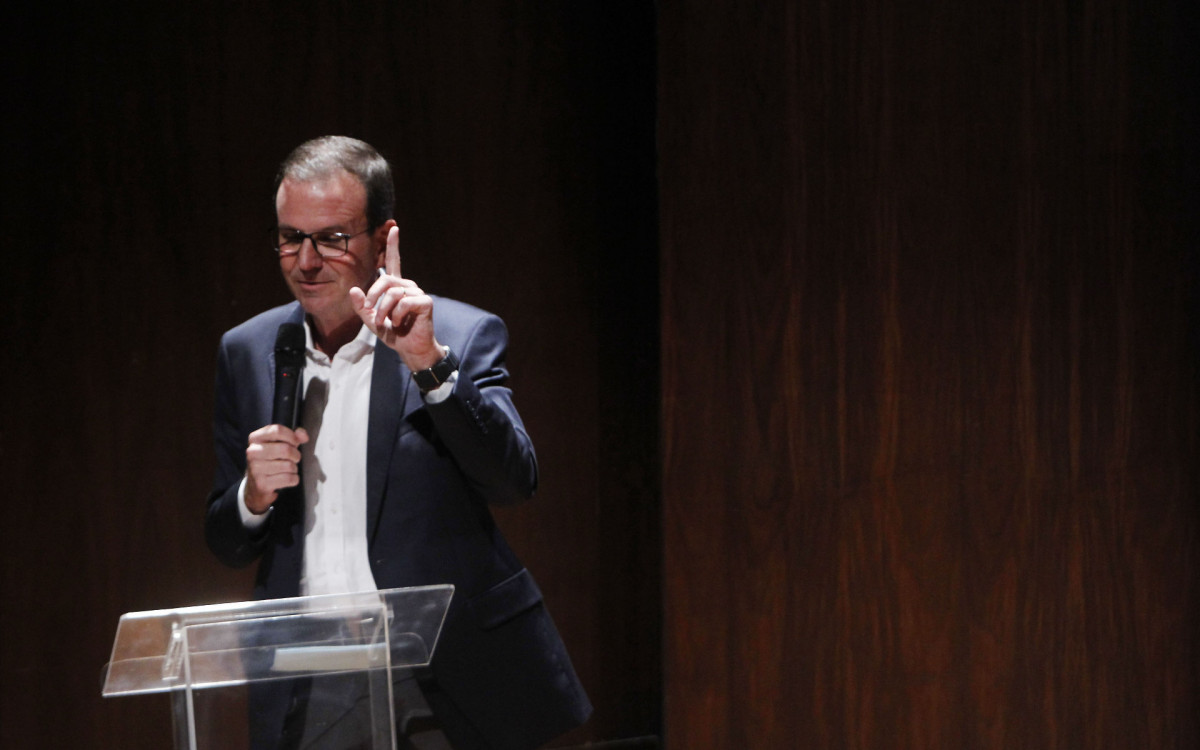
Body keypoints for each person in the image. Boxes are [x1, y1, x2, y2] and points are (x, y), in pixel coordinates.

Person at [204, 135, 591, 749]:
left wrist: (429, 364)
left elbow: (513, 481)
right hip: (313, 681)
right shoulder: (247, 352)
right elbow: (226, 540)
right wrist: (253, 494)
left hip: (442, 671)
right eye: (289, 237)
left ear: (382, 240)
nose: (304, 262)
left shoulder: (455, 334)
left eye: (331, 238)